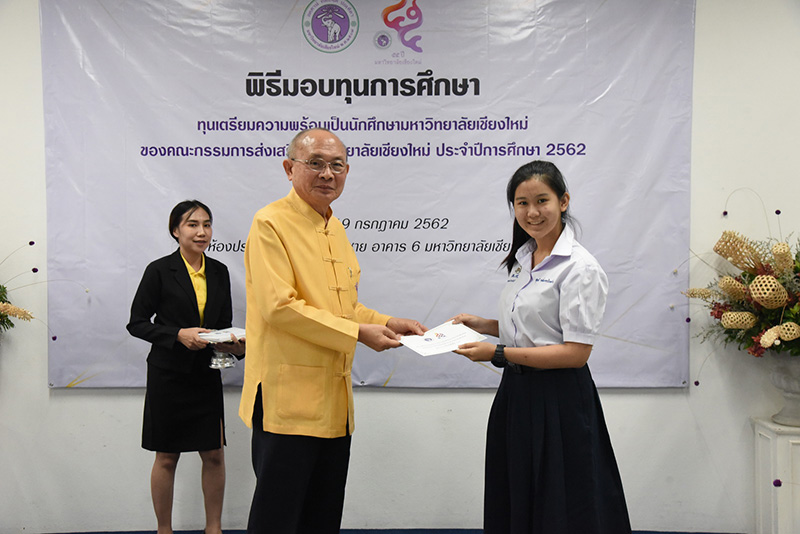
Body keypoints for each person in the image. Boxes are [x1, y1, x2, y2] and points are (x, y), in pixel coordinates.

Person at [240, 128, 425, 534]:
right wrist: (358, 334)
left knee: (322, 519)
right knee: (278, 521)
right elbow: (280, 307)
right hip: (287, 403)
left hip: (334, 404)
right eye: (316, 163)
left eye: (337, 165)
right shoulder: (270, 223)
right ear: (289, 168)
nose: (327, 174)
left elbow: (344, 308)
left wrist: (386, 322)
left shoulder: (335, 228)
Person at [452, 160, 631, 533]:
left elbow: (575, 352)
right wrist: (483, 326)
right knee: (517, 491)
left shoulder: (580, 267)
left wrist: (497, 353)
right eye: (522, 203)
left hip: (559, 399)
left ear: (563, 201)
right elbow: (536, 328)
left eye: (542, 201)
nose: (532, 212)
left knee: (561, 501)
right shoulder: (523, 258)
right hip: (516, 394)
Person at [127, 200, 245, 534]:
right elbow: (137, 323)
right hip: (168, 376)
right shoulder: (159, 270)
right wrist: (178, 334)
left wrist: (234, 345)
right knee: (167, 457)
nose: (201, 232)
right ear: (175, 231)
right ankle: (164, 530)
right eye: (192, 224)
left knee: (214, 455)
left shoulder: (219, 271)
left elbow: (222, 324)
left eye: (206, 224)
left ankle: (213, 529)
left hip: (205, 376)